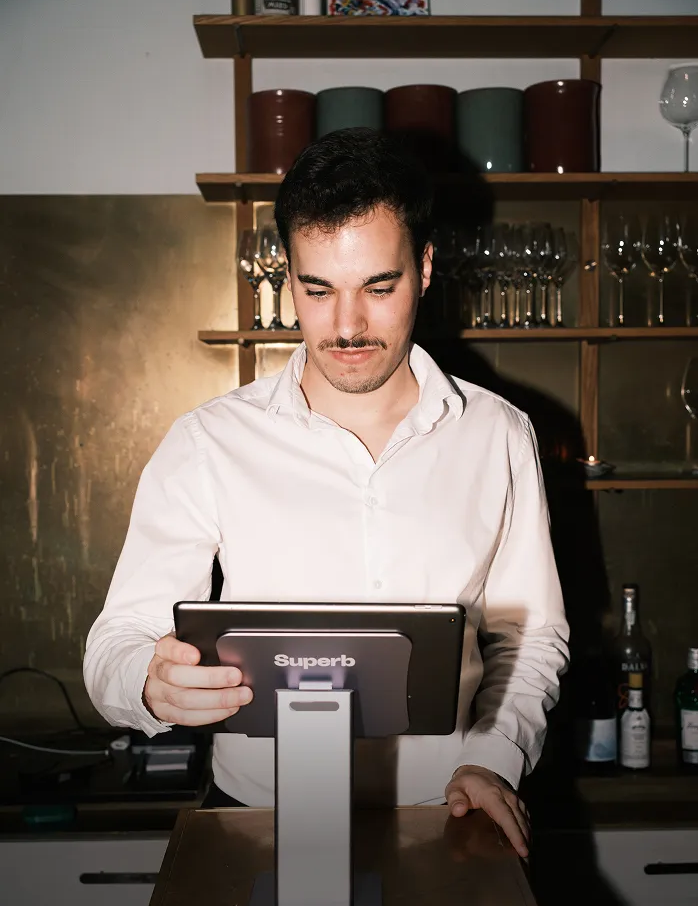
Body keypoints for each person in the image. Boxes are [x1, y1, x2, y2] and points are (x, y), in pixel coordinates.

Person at [84, 127, 569, 859]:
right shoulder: (208, 440)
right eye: (318, 290)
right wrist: (150, 685)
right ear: (288, 276)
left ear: (425, 268)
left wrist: (493, 757)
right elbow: (116, 641)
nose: (347, 326)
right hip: (258, 823)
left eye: (379, 287)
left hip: (448, 813)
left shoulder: (498, 433)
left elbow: (529, 636)